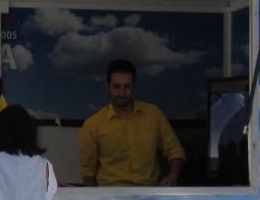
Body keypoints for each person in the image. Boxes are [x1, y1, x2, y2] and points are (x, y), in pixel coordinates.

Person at [79, 58, 186, 186]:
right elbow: (87, 173)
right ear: (108, 87)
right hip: (110, 195)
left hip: (149, 193)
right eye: (117, 87)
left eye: (127, 86)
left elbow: (175, 151)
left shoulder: (153, 114)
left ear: (134, 86)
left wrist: (172, 176)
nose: (122, 93)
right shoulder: (92, 125)